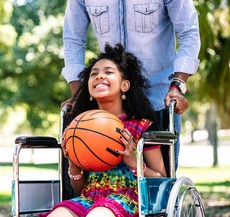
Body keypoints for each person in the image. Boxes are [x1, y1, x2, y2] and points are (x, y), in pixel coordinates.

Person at [34, 44, 166, 217]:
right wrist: (74, 165)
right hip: (90, 197)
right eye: (94, 74)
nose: (99, 77)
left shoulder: (141, 127)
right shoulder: (79, 128)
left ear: (124, 85)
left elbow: (162, 179)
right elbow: (80, 186)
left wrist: (134, 162)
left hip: (129, 197)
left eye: (108, 72)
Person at [61, 0, 201, 169]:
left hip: (158, 100)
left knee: (159, 186)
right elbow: (73, 40)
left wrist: (177, 86)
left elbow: (189, 33)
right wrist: (78, 96)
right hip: (108, 108)